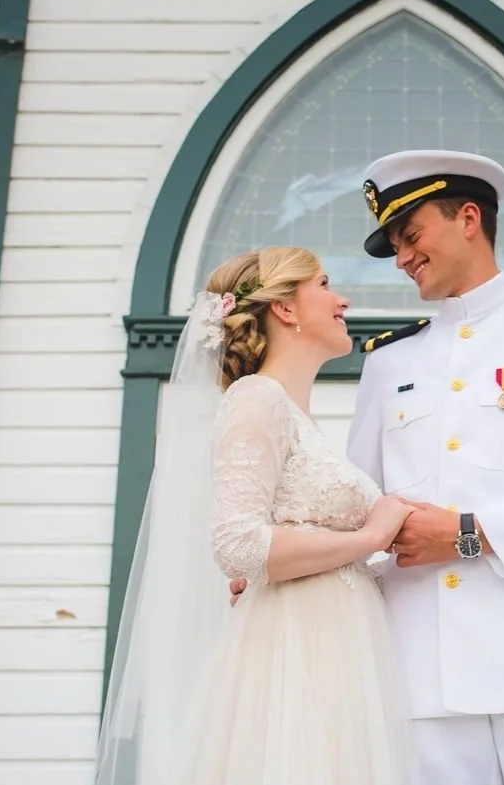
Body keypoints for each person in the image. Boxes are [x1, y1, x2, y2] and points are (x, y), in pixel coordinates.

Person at [233, 150, 504, 785]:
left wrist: (467, 532)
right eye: (395, 246)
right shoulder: (390, 361)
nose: (403, 257)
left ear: (467, 217)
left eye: (410, 236)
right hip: (417, 679)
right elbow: (356, 516)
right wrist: (273, 569)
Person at [95, 246, 417, 785]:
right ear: (285, 309)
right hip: (294, 651)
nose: (344, 299)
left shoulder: (294, 414)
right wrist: (371, 536)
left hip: (341, 648)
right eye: (324, 283)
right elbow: (239, 545)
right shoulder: (256, 400)